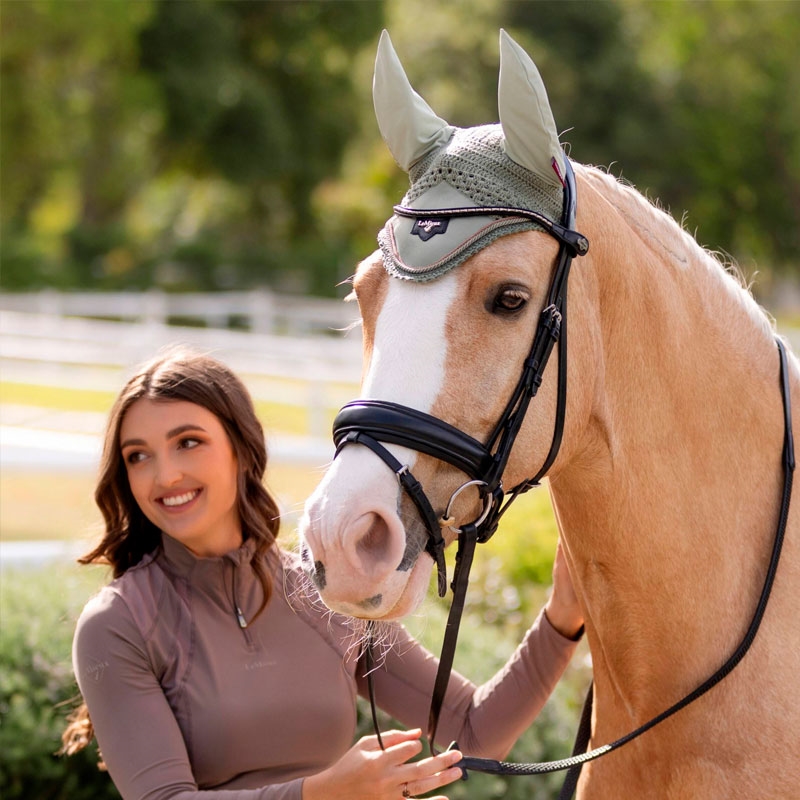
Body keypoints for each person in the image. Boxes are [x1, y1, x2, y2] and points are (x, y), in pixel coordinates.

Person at [62, 346, 584, 800]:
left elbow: (472, 729)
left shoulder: (320, 591)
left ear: (243, 449)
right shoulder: (119, 624)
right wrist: (324, 793)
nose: (165, 474)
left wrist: (561, 620)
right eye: (138, 456)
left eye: (188, 442)